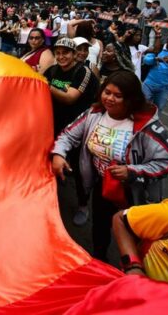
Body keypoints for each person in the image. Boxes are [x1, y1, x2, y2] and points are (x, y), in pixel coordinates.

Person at [52, 70, 168, 261]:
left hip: (134, 192)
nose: (109, 99)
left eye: (117, 95)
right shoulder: (94, 114)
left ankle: (134, 272)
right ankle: (99, 262)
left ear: (131, 99)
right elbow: (68, 135)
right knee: (100, 226)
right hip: (102, 185)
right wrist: (59, 154)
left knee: (135, 232)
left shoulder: (147, 126)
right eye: (107, 92)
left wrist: (132, 171)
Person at [44, 37, 99, 226]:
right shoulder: (52, 70)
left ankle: (83, 206)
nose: (61, 56)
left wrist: (46, 84)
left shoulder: (82, 72)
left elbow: (70, 98)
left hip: (79, 130)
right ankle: (52, 199)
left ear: (75, 55)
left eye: (66, 52)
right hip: (55, 125)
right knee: (53, 161)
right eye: (58, 53)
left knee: (81, 169)